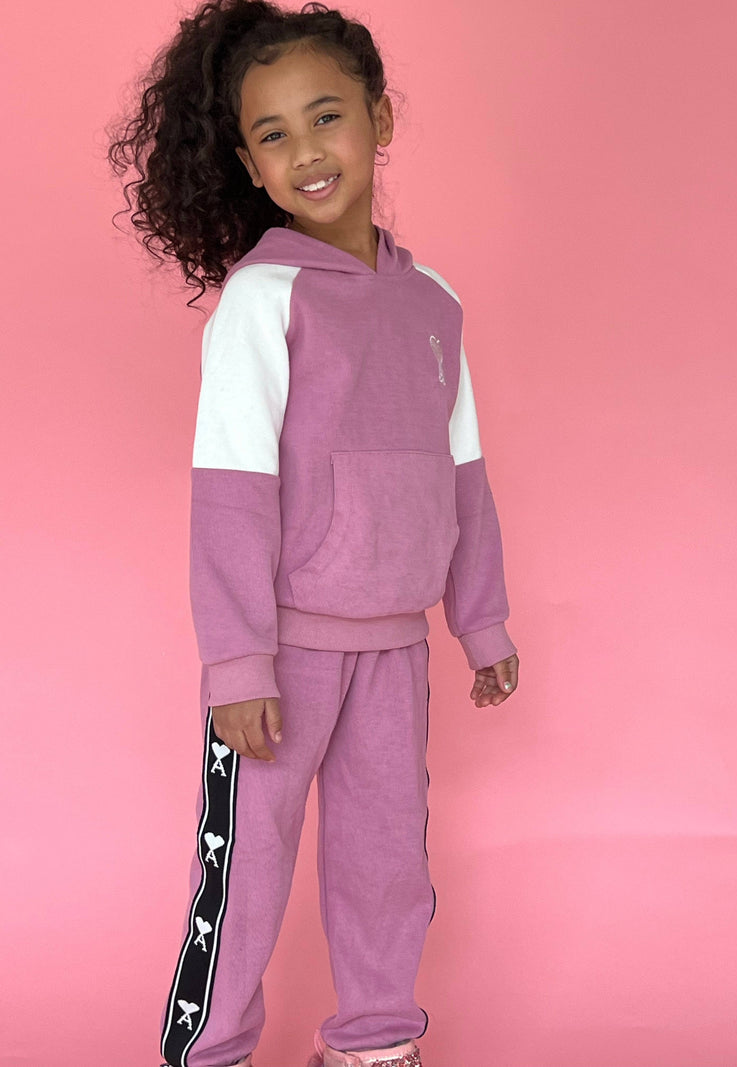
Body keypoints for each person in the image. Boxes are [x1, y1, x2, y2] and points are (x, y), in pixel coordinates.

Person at [107, 2, 519, 1065]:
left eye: (326, 116)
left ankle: (374, 1042)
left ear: (379, 118)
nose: (306, 151)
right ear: (250, 164)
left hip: (395, 648)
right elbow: (231, 493)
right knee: (244, 871)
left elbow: (462, 477)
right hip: (282, 653)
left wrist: (479, 621)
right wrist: (238, 661)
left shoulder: (434, 303)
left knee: (386, 865)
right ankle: (210, 1050)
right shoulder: (263, 299)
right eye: (274, 134)